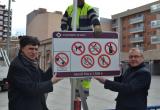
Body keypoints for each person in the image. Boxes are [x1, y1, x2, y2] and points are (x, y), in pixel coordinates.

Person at [61, 0, 102, 102]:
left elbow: (94, 17)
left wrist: (96, 25)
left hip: (86, 40)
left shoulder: (88, 7)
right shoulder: (70, 8)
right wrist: (64, 32)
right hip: (72, 40)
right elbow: (64, 21)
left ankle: (84, 93)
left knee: (87, 65)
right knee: (73, 67)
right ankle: (75, 92)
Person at [7, 36, 62, 110]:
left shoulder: (33, 62)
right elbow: (30, 88)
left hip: (37, 105)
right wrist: (51, 82)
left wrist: (53, 66)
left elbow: (43, 78)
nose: (34, 52)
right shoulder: (17, 66)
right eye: (30, 49)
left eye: (36, 49)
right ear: (22, 48)